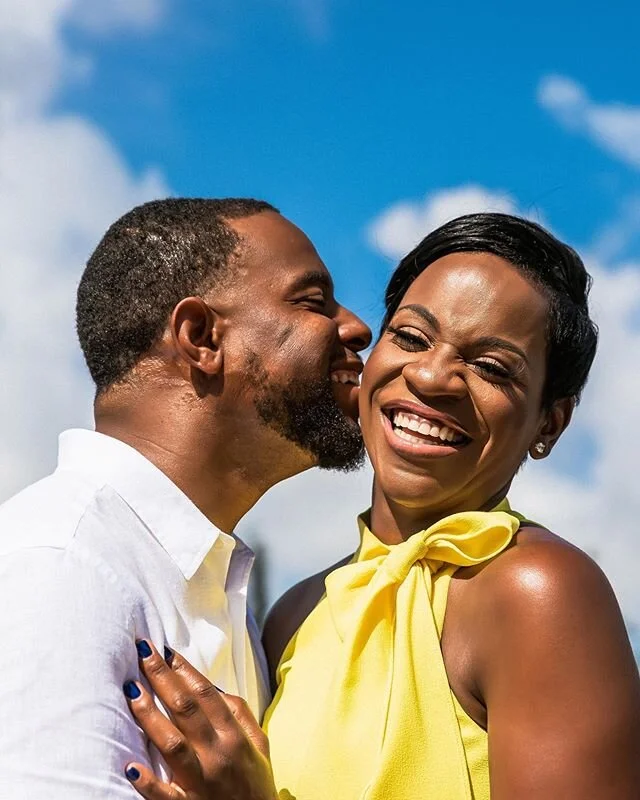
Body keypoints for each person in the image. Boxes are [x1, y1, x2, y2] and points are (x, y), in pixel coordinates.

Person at [125, 213, 640, 800]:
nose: (430, 375)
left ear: (550, 422)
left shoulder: (537, 590)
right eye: (411, 337)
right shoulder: (294, 613)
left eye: (491, 368)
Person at [0, 197, 371, 798]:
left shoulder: (212, 590)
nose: (355, 327)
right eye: (312, 302)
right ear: (200, 336)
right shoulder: (60, 569)